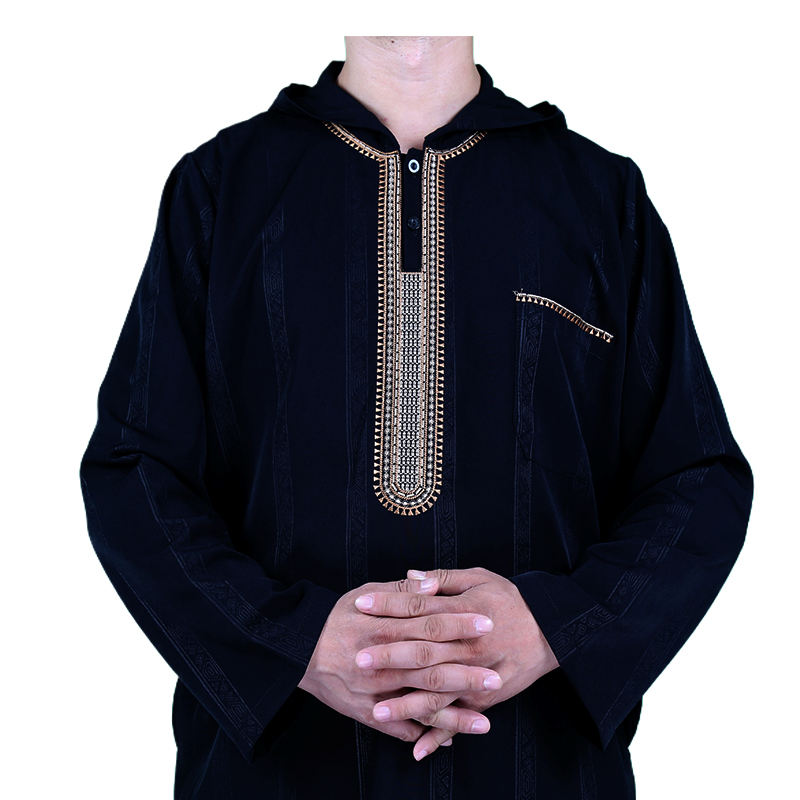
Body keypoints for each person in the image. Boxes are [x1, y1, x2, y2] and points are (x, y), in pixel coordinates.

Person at [78, 36, 754, 799]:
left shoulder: (599, 198)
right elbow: (135, 473)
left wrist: (556, 627)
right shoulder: (221, 189)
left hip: (539, 768)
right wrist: (294, 643)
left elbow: (698, 479)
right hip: (277, 773)